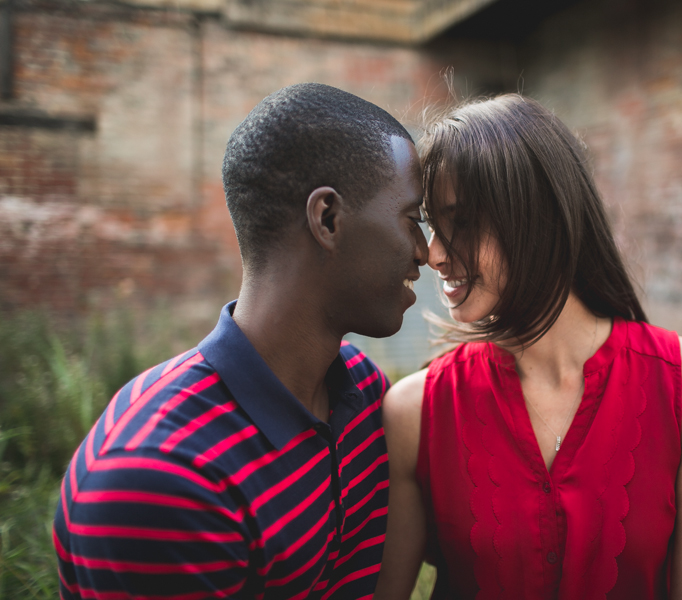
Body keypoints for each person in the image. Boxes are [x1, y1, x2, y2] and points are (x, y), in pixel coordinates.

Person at [54, 83, 429, 599]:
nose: (425, 252)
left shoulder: (362, 395)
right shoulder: (157, 476)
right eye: (413, 220)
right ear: (328, 219)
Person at [374, 95, 682, 600]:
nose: (434, 252)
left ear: (539, 216)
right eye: (433, 222)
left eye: (460, 220)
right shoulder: (416, 412)